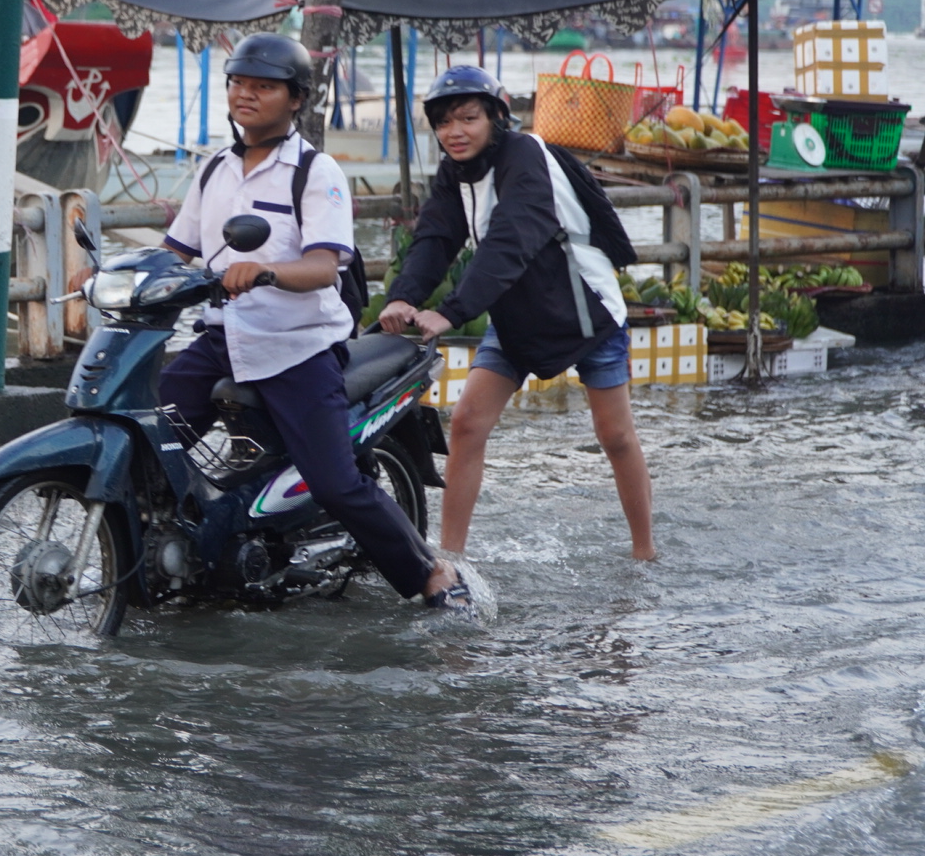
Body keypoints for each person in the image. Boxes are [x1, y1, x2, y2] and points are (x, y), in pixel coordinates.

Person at [76, 33, 469, 608]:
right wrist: (105, 275)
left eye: (264, 86)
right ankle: (157, 554)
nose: (246, 94)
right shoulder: (213, 168)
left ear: (296, 100)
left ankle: (431, 575)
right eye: (238, 82)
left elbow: (322, 266)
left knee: (336, 483)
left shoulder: (316, 171)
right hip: (221, 340)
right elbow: (177, 252)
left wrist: (264, 270)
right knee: (146, 435)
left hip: (297, 349)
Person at [379, 65, 655, 561]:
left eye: (468, 118)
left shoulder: (525, 155)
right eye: (444, 124)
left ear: (497, 118)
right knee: (466, 423)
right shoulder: (455, 172)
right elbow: (436, 237)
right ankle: (450, 560)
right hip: (516, 313)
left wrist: (452, 311)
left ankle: (644, 550)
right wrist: (402, 296)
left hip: (583, 306)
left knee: (614, 435)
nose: (455, 133)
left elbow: (512, 239)